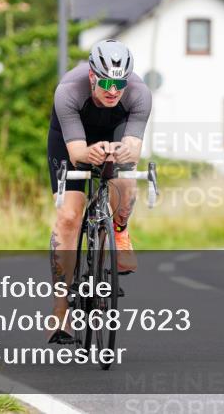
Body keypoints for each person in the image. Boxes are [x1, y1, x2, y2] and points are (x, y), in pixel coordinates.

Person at [46, 39, 152, 344]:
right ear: (92, 75)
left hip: (114, 134)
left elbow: (132, 149)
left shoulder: (140, 94)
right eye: (105, 82)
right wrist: (91, 153)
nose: (113, 90)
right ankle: (60, 312)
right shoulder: (68, 90)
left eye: (120, 83)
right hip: (71, 140)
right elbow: (77, 151)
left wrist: (118, 152)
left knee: (126, 183)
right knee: (69, 217)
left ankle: (118, 229)